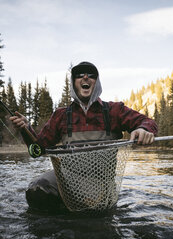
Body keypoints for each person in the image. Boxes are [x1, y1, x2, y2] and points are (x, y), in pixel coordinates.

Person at [10, 61, 158, 212]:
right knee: (37, 190)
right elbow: (37, 151)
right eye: (80, 75)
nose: (86, 77)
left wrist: (143, 129)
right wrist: (25, 129)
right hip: (65, 179)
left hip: (100, 184)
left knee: (92, 217)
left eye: (91, 75)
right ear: (74, 83)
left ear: (96, 82)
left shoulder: (114, 110)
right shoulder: (61, 115)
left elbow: (148, 122)